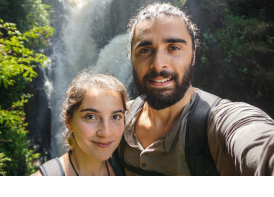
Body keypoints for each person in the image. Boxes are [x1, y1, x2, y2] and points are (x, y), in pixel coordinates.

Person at [112, 3, 274, 176]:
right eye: (145, 50)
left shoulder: (219, 122)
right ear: (131, 58)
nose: (158, 64)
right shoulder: (116, 119)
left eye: (174, 47)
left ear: (193, 55)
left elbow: (255, 139)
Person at [33, 72, 128, 176]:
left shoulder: (129, 167)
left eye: (115, 117)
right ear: (68, 121)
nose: (105, 132)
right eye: (91, 116)